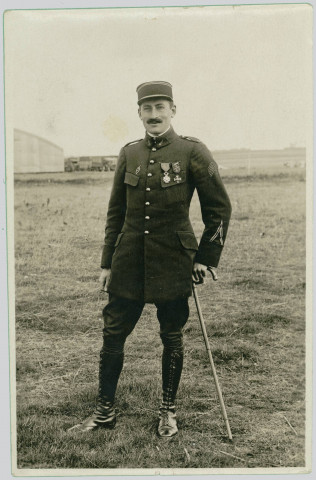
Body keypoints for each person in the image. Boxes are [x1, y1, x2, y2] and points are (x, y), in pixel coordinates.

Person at [69, 81, 232, 437]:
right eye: (147, 108)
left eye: (160, 107)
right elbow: (116, 211)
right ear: (139, 112)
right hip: (127, 260)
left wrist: (206, 258)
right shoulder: (129, 153)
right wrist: (107, 263)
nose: (154, 115)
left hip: (174, 260)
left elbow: (219, 209)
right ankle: (104, 411)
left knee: (171, 336)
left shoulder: (193, 151)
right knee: (112, 334)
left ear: (173, 109)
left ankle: (168, 413)